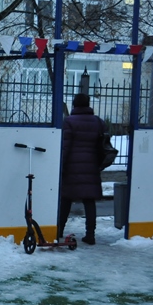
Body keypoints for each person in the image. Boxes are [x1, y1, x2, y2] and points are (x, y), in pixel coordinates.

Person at [58, 93, 104, 245]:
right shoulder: (98, 122)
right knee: (89, 201)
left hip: (72, 166)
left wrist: (61, 165)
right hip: (91, 165)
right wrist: (98, 163)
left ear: (74, 104)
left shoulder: (69, 122)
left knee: (66, 199)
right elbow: (102, 145)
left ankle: (59, 230)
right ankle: (90, 235)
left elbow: (65, 146)